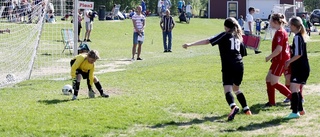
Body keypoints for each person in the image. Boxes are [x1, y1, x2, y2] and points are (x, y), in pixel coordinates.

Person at [182, 17, 252, 121]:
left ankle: (234, 107)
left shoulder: (224, 35)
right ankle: (247, 110)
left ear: (225, 27)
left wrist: (190, 44)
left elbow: (207, 41)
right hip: (240, 66)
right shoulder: (239, 37)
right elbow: (243, 54)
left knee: (227, 89)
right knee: (236, 89)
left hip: (228, 65)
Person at [284, 16, 310, 119]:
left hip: (300, 67)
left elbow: (298, 54)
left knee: (293, 88)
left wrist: (288, 61)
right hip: (301, 67)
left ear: (294, 26)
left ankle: (295, 112)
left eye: (290, 25)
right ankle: (301, 110)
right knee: (296, 88)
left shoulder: (297, 37)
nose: (289, 27)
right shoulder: (299, 37)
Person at [265, 13, 292, 107]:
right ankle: (271, 102)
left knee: (274, 82)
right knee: (268, 79)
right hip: (277, 60)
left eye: (270, 21)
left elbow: (279, 49)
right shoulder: (280, 31)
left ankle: (294, 98)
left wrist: (269, 57)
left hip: (280, 61)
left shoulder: (280, 32)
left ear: (275, 22)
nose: (269, 22)